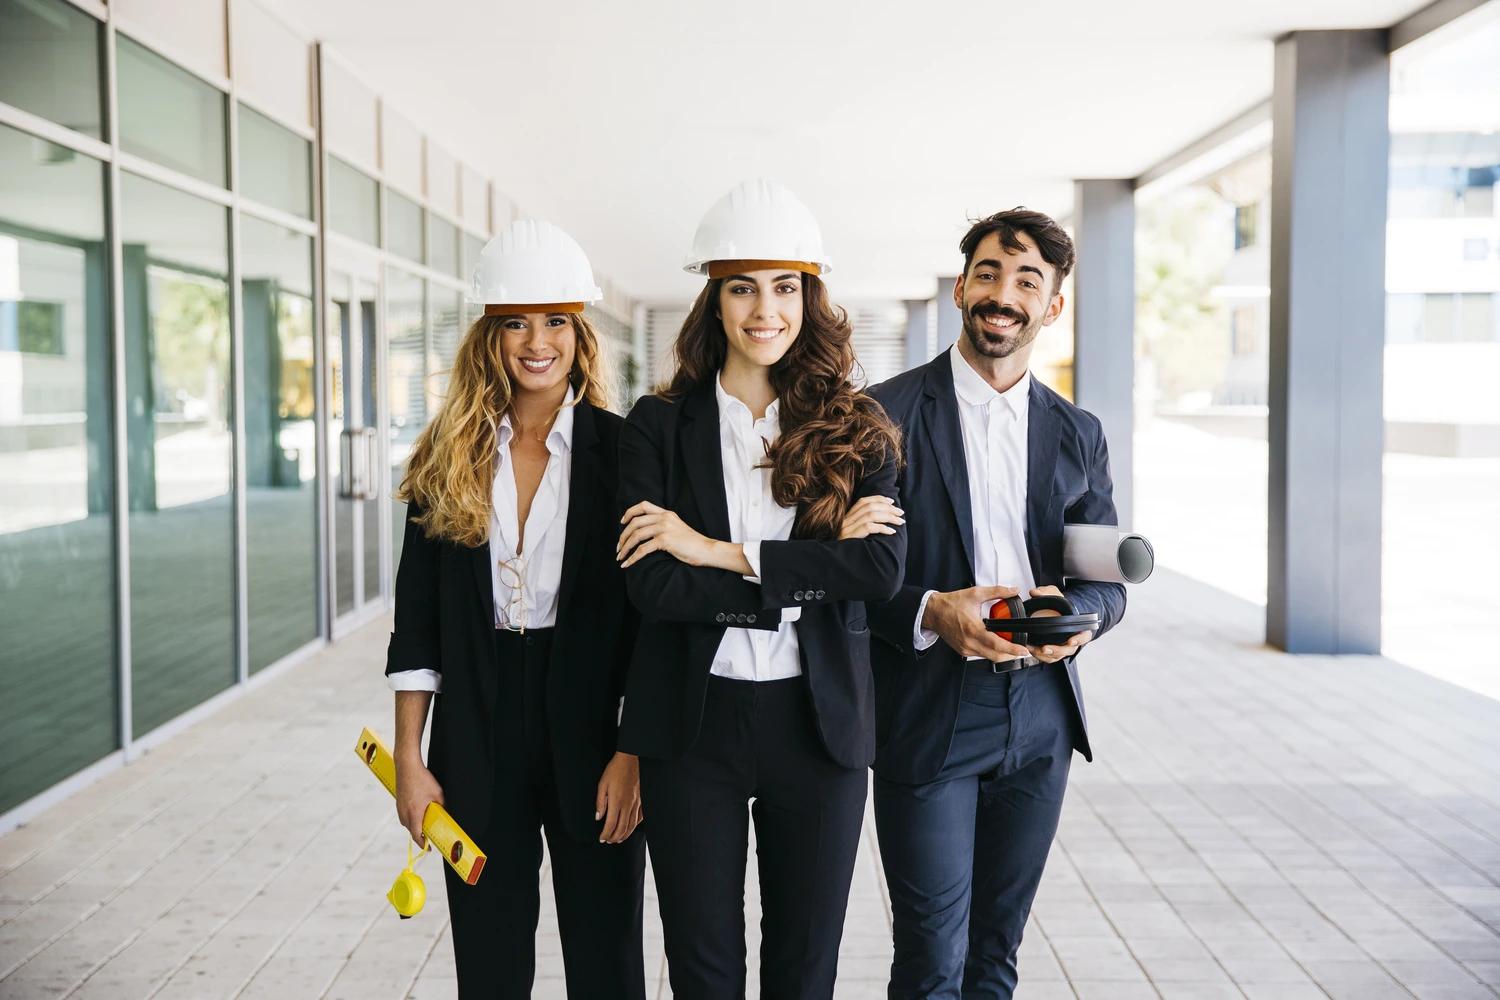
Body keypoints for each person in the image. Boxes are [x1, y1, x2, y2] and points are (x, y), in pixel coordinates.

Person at [615, 179, 906, 1000]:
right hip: (691, 725)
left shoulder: (858, 426)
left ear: (810, 299)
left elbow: (878, 572)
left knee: (804, 970)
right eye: (742, 287)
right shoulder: (656, 425)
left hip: (819, 728)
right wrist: (805, 572)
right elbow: (653, 586)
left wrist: (716, 550)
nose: (764, 310)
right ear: (714, 300)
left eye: (785, 288)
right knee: (703, 971)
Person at [867, 208, 1128, 999]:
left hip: (1041, 714)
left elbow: (1105, 576)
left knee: (995, 957)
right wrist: (932, 610)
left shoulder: (1078, 432)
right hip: (930, 709)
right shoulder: (882, 415)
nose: (1002, 294)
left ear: (1051, 306)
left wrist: (1077, 620)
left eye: (1026, 281)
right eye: (987, 273)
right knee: (931, 960)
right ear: (960, 289)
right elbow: (847, 577)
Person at [385, 219, 646, 999]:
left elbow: (648, 623)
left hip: (592, 727)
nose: (538, 341)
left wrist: (633, 754)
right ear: (488, 337)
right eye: (516, 324)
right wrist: (409, 756)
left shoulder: (626, 450)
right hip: (478, 728)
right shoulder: (448, 453)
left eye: (556, 321)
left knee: (607, 963)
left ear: (579, 333)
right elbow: (418, 621)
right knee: (490, 968)